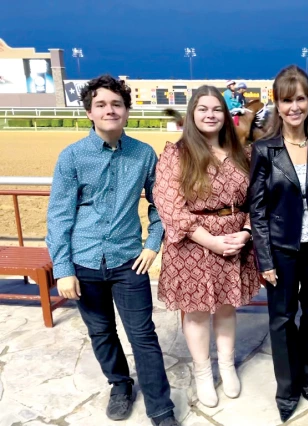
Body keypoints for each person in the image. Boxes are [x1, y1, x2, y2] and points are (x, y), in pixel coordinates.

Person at [46, 75, 179, 426]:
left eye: (116, 104)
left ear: (126, 111)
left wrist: (153, 244)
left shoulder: (143, 154)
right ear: (89, 112)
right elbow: (59, 215)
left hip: (128, 262)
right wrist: (63, 269)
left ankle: (161, 408)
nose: (110, 110)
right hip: (83, 261)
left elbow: (160, 206)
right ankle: (120, 385)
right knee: (101, 332)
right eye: (101, 104)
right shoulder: (72, 157)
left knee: (142, 334)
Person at [248, 65, 308, 423]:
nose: (294, 107)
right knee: (281, 318)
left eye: (300, 99)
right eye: (287, 100)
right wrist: (265, 258)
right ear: (277, 103)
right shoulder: (264, 149)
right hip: (281, 248)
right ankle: (286, 387)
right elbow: (256, 208)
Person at [152, 85, 260, 409]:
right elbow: (168, 204)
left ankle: (226, 364)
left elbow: (259, 200)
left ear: (225, 115)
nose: (210, 115)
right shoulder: (177, 153)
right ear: (192, 114)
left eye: (216, 109)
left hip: (235, 240)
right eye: (203, 109)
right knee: (197, 312)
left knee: (227, 306)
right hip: (193, 244)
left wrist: (246, 232)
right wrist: (210, 241)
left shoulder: (244, 153)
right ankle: (202, 371)